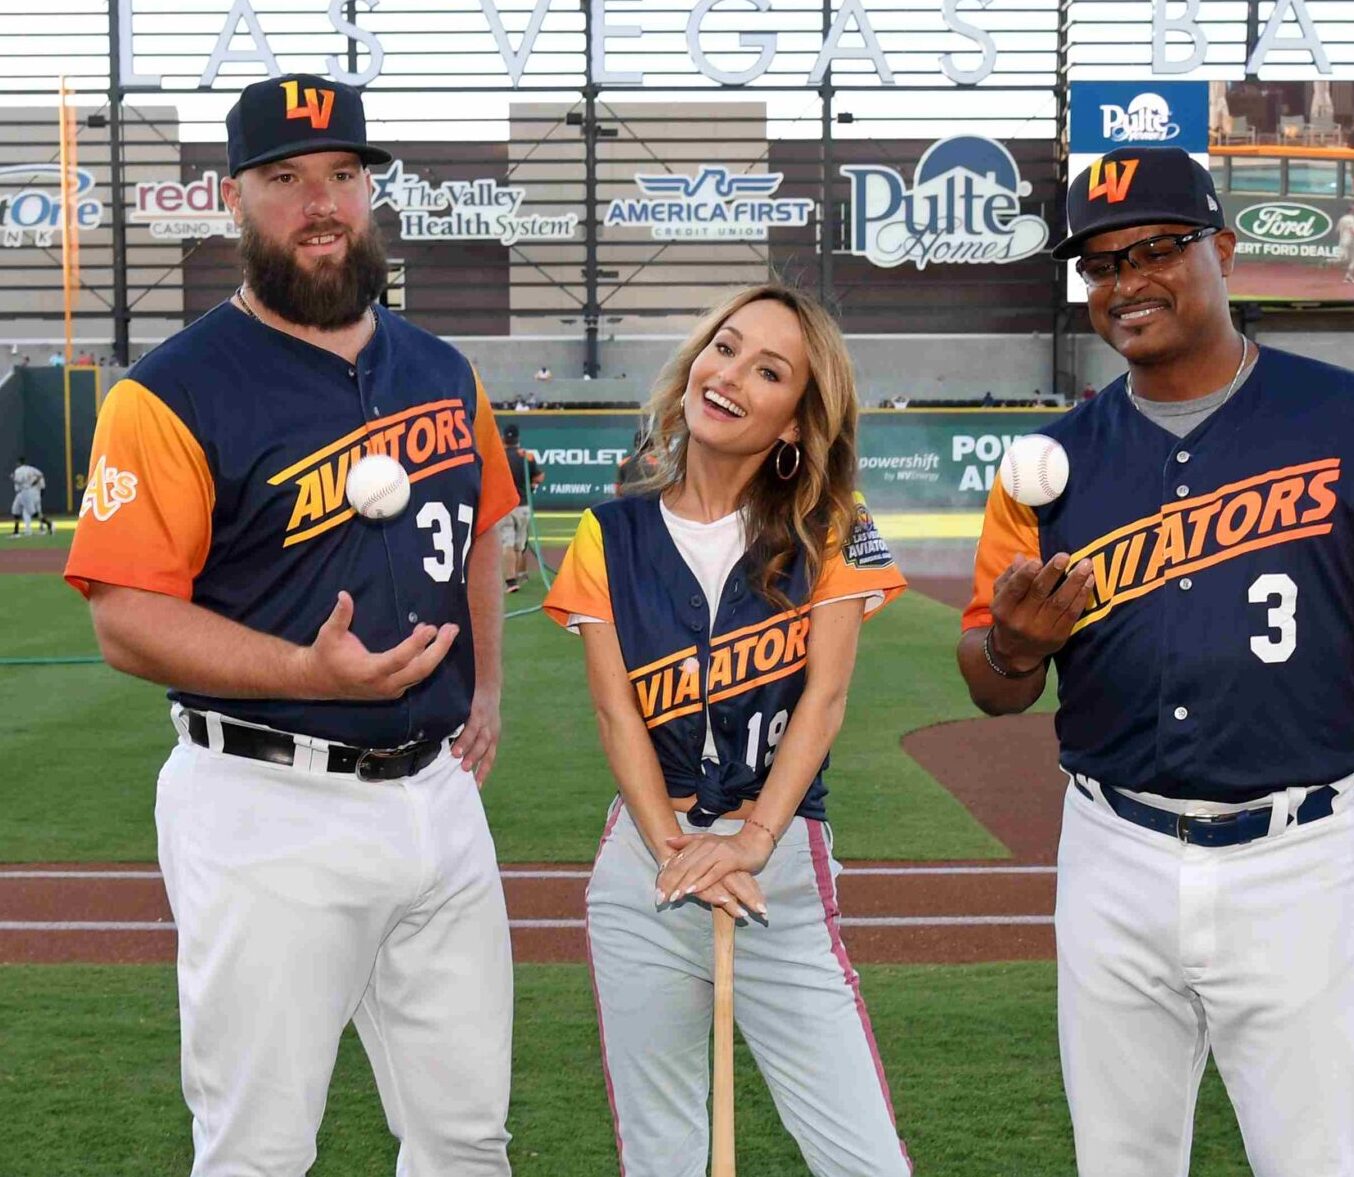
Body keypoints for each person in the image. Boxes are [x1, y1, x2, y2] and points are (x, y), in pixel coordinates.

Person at [959, 146, 1354, 1177]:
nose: (1127, 281)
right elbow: (991, 682)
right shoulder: (1046, 465)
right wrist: (1015, 645)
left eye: (1157, 247)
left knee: (1322, 1161)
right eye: (1101, 265)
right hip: (1111, 851)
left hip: (1296, 854)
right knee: (1120, 1162)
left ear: (1224, 251)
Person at [62, 74, 519, 1176]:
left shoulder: (440, 368)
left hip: (437, 802)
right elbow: (125, 617)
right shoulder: (169, 392)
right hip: (266, 803)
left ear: (370, 194)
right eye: (286, 179)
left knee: (465, 1136)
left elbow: (487, 530)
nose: (321, 202)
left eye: (344, 176)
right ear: (236, 199)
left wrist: (490, 692)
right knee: (260, 1149)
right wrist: (311, 673)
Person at [543, 284, 913, 1177]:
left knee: (864, 1160)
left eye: (768, 370)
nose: (731, 375)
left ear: (794, 422)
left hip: (776, 867)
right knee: (663, 1157)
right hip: (647, 870)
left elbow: (823, 701)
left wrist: (748, 839)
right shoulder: (607, 532)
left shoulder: (835, 528)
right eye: (724, 348)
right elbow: (615, 712)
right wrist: (672, 849)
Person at [499, 423, 544, 592]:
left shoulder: (499, 455)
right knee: (520, 545)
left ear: (504, 438)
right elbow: (539, 477)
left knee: (507, 544)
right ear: (518, 438)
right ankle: (518, 575)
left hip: (505, 506)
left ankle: (511, 581)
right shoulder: (527, 456)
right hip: (523, 505)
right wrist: (531, 485)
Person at [10, 456, 48, 537]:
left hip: (24, 492)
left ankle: (49, 524)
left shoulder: (18, 470)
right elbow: (40, 475)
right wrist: (33, 483)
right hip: (24, 492)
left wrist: (13, 478)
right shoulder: (30, 468)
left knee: (31, 513)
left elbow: (19, 481)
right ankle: (16, 532)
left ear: (19, 463)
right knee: (15, 510)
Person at [1334, 203, 1354, 284]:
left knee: (1343, 259)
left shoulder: (1342, 218)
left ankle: (1328, 261)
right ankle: (1348, 276)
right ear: (1352, 210)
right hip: (1353, 241)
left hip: (1343, 240)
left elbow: (1337, 231)